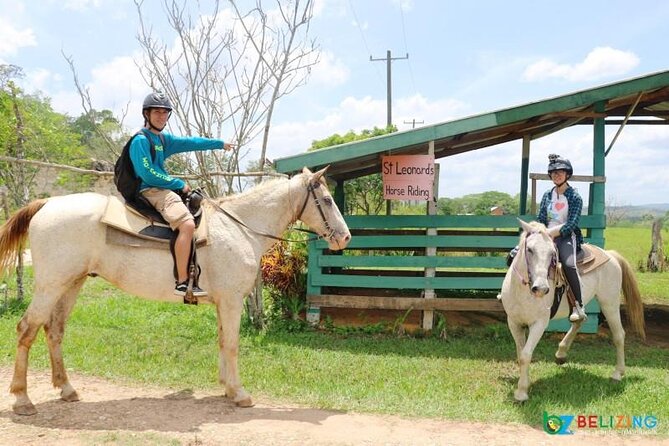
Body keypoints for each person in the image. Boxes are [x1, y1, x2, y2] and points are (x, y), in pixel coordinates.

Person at [130, 92, 234, 297]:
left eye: (165, 113)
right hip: (151, 190)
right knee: (186, 224)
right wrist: (178, 183)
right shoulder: (140, 141)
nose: (161, 116)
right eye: (156, 112)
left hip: (162, 188)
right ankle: (183, 281)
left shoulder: (162, 139)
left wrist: (219, 144)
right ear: (146, 114)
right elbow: (146, 173)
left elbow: (191, 142)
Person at [537, 154, 586, 322]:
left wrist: (553, 233)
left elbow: (571, 224)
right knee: (520, 253)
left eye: (560, 172)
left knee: (568, 264)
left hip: (565, 236)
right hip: (545, 234)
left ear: (567, 175)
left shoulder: (575, 197)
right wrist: (541, 231)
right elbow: (541, 218)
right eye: (554, 173)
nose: (557, 175)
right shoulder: (546, 195)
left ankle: (578, 305)